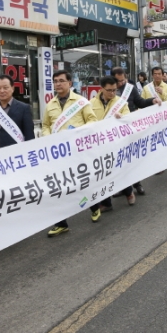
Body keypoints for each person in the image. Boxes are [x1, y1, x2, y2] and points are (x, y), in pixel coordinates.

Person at [0, 74, 35, 265]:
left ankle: (17, 224)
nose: (1, 91)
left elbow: (29, 137)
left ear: (12, 88)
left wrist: (29, 160)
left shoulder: (24, 108)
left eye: (5, 87)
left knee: (13, 192)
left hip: (14, 160)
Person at [43, 70, 98, 237]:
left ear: (69, 83)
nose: (58, 84)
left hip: (76, 151)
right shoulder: (50, 104)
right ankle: (61, 223)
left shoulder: (81, 102)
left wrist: (78, 134)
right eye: (55, 81)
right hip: (57, 153)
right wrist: (48, 137)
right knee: (59, 187)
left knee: (81, 182)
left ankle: (94, 206)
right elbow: (45, 125)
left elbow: (92, 121)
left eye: (61, 81)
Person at [112, 67, 161, 196]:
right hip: (114, 131)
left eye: (123, 80)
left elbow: (140, 102)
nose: (121, 83)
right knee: (119, 160)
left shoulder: (130, 88)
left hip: (130, 128)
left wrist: (152, 100)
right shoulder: (108, 91)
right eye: (118, 81)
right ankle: (122, 187)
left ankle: (137, 184)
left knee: (132, 158)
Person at [90, 76, 135, 208]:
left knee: (119, 170)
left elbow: (129, 119)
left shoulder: (121, 102)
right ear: (101, 89)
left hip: (116, 143)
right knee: (102, 174)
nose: (112, 93)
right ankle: (106, 203)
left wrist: (122, 118)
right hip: (98, 143)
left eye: (114, 90)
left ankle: (128, 192)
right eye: (109, 90)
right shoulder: (91, 103)